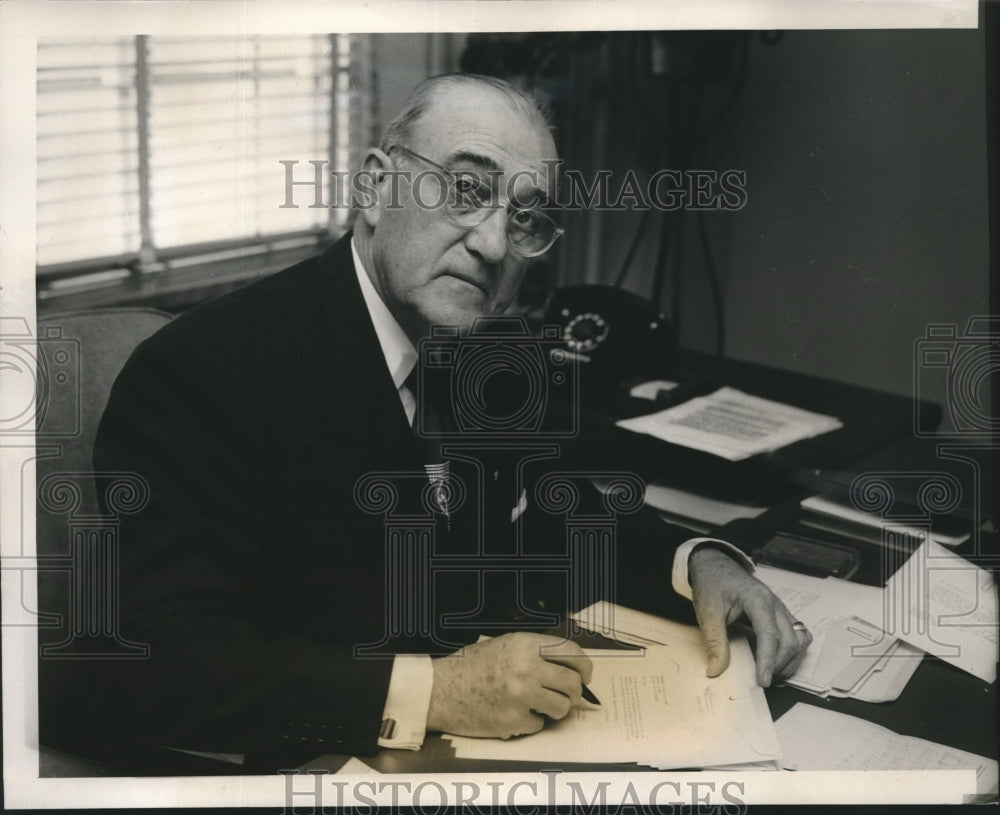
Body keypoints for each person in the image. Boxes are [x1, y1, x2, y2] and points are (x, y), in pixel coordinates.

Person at [55, 73, 809, 771]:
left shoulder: (483, 349)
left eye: (524, 217)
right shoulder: (207, 368)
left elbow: (552, 509)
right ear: (378, 188)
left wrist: (702, 561)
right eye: (465, 189)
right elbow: (146, 657)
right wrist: (433, 692)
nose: (490, 243)